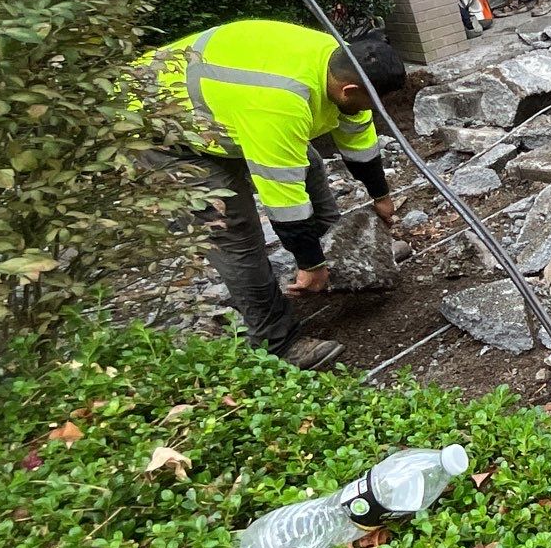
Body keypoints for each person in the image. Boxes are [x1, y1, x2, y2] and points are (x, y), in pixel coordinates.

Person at [138, 20, 406, 370]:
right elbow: (284, 201)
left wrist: (380, 197)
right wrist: (310, 265)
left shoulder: (336, 61)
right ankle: (277, 340)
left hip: (226, 104)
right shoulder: (281, 103)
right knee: (233, 230)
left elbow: (358, 138)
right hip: (162, 128)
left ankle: (345, 260)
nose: (373, 110)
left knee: (306, 161)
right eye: (372, 102)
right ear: (348, 89)